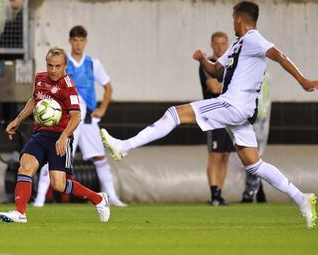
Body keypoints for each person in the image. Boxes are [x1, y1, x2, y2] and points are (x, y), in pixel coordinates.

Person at [100, 1, 318, 228]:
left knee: (174, 114)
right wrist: (203, 59)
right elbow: (216, 70)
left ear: (240, 19)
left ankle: (124, 146)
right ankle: (301, 198)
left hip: (232, 105)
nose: (232, 22)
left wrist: (303, 81)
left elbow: (278, 55)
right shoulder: (237, 45)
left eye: (234, 18)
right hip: (238, 111)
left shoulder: (253, 38)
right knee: (253, 164)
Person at [0, 47, 110, 223]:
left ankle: (98, 199)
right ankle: (20, 213)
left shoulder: (68, 87)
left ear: (65, 66)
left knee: (59, 184)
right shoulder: (40, 78)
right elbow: (34, 100)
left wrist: (64, 136)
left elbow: (76, 116)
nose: (53, 70)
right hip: (40, 134)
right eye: (50, 65)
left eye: (57, 66)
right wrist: (18, 120)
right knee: (25, 167)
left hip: (60, 137)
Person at [34, 25, 126, 207]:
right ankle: (40, 198)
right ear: (70, 41)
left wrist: (103, 109)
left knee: (99, 156)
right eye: (75, 40)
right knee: (55, 153)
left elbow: (108, 87)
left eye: (81, 40)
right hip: (67, 117)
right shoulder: (62, 63)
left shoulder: (93, 63)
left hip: (89, 118)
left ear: (85, 41)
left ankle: (113, 196)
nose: (78, 44)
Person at [197, 31, 233, 206]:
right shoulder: (208, 64)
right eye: (217, 43)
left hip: (229, 117)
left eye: (223, 43)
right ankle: (213, 194)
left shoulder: (230, 64)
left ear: (228, 45)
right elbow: (214, 87)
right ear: (212, 45)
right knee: (215, 155)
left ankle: (219, 192)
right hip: (213, 116)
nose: (220, 47)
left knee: (226, 155)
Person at [241, 74, 270, 203]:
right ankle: (259, 190)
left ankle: (251, 191)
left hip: (255, 116)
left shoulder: (255, 72)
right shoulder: (264, 73)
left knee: (252, 156)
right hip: (258, 115)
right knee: (253, 156)